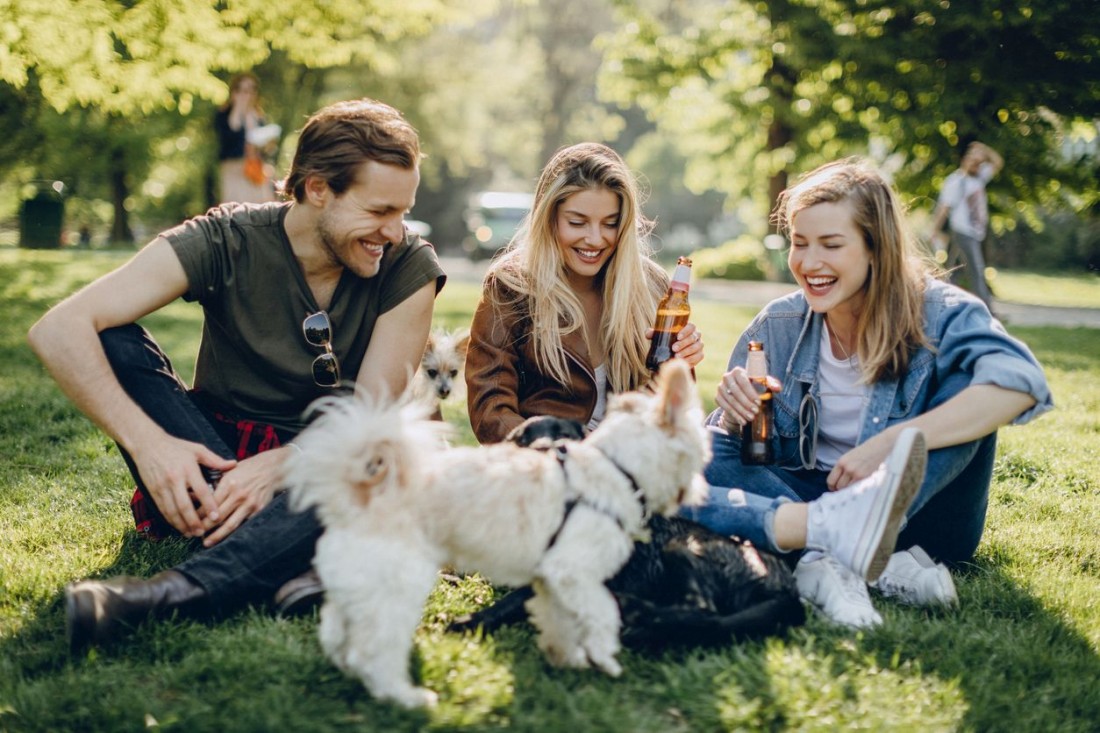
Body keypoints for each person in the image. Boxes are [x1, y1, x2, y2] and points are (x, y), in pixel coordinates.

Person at [28, 98, 446, 652]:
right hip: (210, 454)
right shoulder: (226, 239)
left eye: (403, 212)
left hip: (328, 461)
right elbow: (58, 330)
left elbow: (369, 414)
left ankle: (157, 597)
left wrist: (286, 464)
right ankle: (299, 557)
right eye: (379, 211)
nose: (394, 231)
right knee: (109, 336)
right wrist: (152, 447)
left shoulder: (408, 267)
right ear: (317, 188)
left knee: (367, 464)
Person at [683, 159, 1051, 628]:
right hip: (807, 491)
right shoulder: (778, 324)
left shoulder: (940, 312)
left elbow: (1020, 382)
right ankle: (846, 550)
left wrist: (892, 442)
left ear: (876, 248)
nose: (809, 263)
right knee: (701, 447)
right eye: (799, 243)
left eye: (831, 245)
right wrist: (734, 418)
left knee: (970, 389)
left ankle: (829, 543)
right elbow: (728, 449)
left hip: (919, 517)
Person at [465, 142, 704, 444]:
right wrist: (564, 455)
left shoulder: (651, 285)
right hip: (549, 472)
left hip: (635, 469)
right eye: (577, 222)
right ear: (548, 218)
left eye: (610, 224)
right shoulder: (511, 287)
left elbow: (668, 411)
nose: (594, 239)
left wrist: (680, 365)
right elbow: (491, 412)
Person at [929, 141, 1004, 311]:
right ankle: (988, 311)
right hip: (962, 231)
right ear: (964, 161)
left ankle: (939, 304)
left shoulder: (979, 178)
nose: (976, 165)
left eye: (979, 162)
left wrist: (984, 149)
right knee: (976, 270)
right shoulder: (956, 181)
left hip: (975, 232)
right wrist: (934, 229)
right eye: (972, 161)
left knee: (951, 269)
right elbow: (944, 207)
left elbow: (998, 162)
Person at [214, 72, 279, 204]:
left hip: (256, 168)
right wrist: (239, 106)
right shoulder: (224, 114)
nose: (247, 94)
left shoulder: (258, 116)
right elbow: (232, 132)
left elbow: (265, 146)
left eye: (251, 89)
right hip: (234, 168)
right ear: (234, 91)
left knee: (260, 206)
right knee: (236, 208)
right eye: (242, 90)